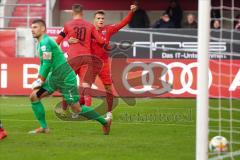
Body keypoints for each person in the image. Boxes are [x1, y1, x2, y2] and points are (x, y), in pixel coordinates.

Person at [29, 19, 111, 135]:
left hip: (66, 78)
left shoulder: (45, 43)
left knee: (77, 109)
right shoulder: (42, 43)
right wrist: (40, 79)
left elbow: (47, 64)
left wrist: (40, 80)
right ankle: (44, 128)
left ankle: (104, 122)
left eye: (35, 27)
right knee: (34, 97)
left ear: (43, 29)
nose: (32, 30)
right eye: (31, 27)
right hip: (55, 78)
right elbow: (44, 63)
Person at [68, 5, 137, 120]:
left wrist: (131, 12)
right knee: (84, 89)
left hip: (104, 63)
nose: (101, 20)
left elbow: (123, 22)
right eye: (98, 18)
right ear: (94, 20)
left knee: (108, 88)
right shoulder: (88, 30)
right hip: (90, 63)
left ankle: (109, 112)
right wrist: (70, 41)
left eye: (102, 19)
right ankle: (79, 109)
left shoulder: (108, 29)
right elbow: (75, 40)